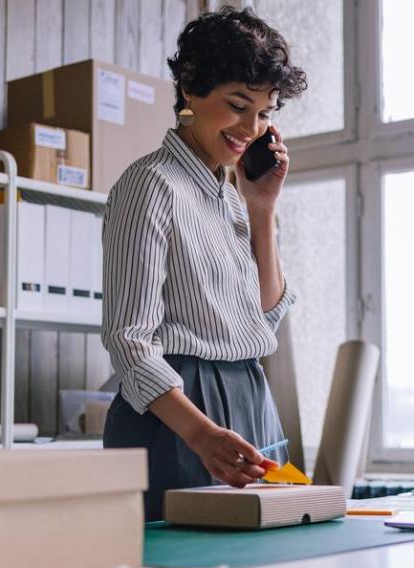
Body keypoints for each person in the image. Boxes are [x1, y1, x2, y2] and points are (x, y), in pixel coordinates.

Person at [101, 7, 307, 520]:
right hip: (177, 414)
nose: (251, 128)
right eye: (238, 105)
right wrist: (200, 432)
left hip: (249, 398)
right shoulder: (149, 185)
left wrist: (262, 208)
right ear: (190, 88)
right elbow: (129, 341)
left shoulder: (233, 195)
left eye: (264, 113)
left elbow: (262, 319)